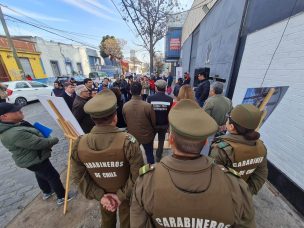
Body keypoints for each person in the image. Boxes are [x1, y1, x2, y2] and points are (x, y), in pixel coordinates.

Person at [130, 100, 255, 227]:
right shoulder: (235, 186)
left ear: (171, 140)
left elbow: (138, 224)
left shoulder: (147, 181)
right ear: (206, 142)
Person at [71, 89, 144, 228]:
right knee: (127, 221)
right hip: (127, 195)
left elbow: (78, 177)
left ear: (92, 119)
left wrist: (102, 196)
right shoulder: (129, 141)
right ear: (115, 117)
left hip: (102, 194)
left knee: (106, 221)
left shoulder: (79, 143)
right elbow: (138, 175)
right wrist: (120, 196)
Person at [0, 103, 73, 205]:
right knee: (53, 176)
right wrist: (54, 139)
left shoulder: (13, 125)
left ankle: (47, 192)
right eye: (15, 111)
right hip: (35, 159)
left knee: (40, 174)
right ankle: (62, 197)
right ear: (4, 116)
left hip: (32, 159)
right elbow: (38, 143)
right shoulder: (14, 133)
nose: (20, 111)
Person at [210, 104, 268, 195]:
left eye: (228, 118)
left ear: (231, 127)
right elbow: (261, 174)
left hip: (221, 196)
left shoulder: (221, 149)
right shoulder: (261, 147)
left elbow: (211, 178)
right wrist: (246, 193)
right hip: (242, 194)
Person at [123, 82, 156, 164]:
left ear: (130, 91)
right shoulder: (148, 106)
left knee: (134, 156)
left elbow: (125, 120)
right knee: (149, 154)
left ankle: (137, 172)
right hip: (147, 135)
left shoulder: (125, 106)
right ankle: (150, 172)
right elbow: (153, 122)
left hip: (132, 136)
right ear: (141, 91)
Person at [147, 80, 173, 162]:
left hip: (152, 125)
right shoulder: (169, 99)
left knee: (150, 140)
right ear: (165, 88)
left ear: (156, 88)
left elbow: (148, 112)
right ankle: (158, 155)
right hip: (164, 124)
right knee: (161, 141)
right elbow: (169, 112)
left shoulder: (150, 98)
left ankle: (150, 155)